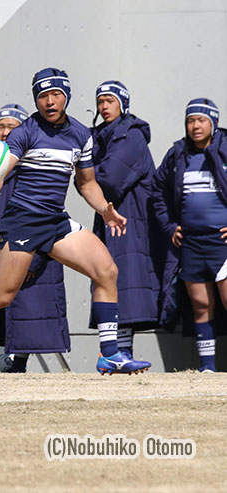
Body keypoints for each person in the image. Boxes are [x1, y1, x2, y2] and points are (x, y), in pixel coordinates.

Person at [0, 67, 151, 380]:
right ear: (36, 100)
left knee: (107, 270)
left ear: (66, 96)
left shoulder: (81, 135)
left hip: (55, 221)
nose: (50, 102)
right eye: (42, 96)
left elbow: (87, 183)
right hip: (23, 222)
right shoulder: (24, 131)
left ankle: (110, 355)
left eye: (55, 95)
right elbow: (4, 164)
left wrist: (106, 209)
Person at [0, 104, 69, 373]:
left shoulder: (35, 163)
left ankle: (17, 365)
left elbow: (47, 215)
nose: (5, 132)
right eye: (0, 126)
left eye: (11, 127)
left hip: (21, 246)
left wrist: (37, 259)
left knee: (21, 307)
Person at [151, 98, 227, 373]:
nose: (195, 126)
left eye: (201, 120)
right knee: (200, 305)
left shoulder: (225, 148)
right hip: (191, 242)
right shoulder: (177, 153)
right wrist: (170, 226)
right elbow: (156, 189)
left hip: (222, 243)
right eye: (190, 121)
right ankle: (208, 369)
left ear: (213, 123)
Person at [90, 81, 160, 357]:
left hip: (130, 223)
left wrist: (85, 173)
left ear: (123, 103)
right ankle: (118, 354)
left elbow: (108, 180)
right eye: (100, 101)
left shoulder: (130, 136)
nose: (104, 106)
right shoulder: (105, 136)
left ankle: (121, 354)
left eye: (110, 100)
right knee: (113, 280)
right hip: (114, 221)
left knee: (122, 284)